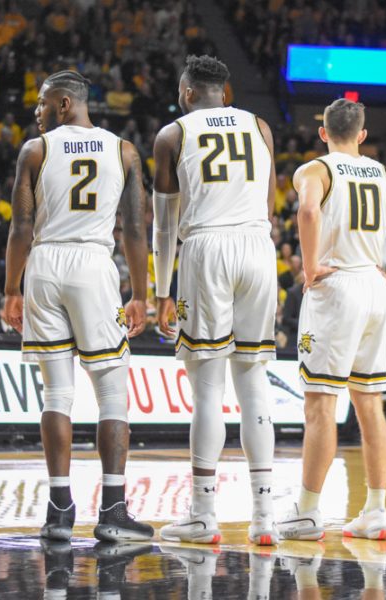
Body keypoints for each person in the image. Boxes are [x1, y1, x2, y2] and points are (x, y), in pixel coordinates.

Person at [272, 99, 386, 543]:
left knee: (320, 406)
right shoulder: (385, 174)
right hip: (374, 287)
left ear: (323, 133)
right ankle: (375, 510)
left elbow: (308, 211)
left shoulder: (315, 169)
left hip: (337, 288)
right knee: (369, 404)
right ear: (363, 135)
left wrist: (310, 267)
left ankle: (308, 511)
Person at [2, 70, 153, 542]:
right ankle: (112, 509)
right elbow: (133, 230)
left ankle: (59, 510)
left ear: (65, 104)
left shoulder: (36, 150)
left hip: (45, 264)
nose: (38, 112)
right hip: (92, 263)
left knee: (56, 395)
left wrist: (12, 287)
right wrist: (141, 294)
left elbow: (20, 228)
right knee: (111, 392)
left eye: (43, 103)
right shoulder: (123, 150)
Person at [152, 55, 279, 545]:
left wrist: (163, 290)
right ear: (225, 92)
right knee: (253, 383)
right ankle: (265, 517)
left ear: (186, 92)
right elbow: (269, 203)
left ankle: (203, 514)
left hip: (207, 248)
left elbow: (164, 224)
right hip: (257, 244)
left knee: (207, 388)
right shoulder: (260, 126)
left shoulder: (173, 134)